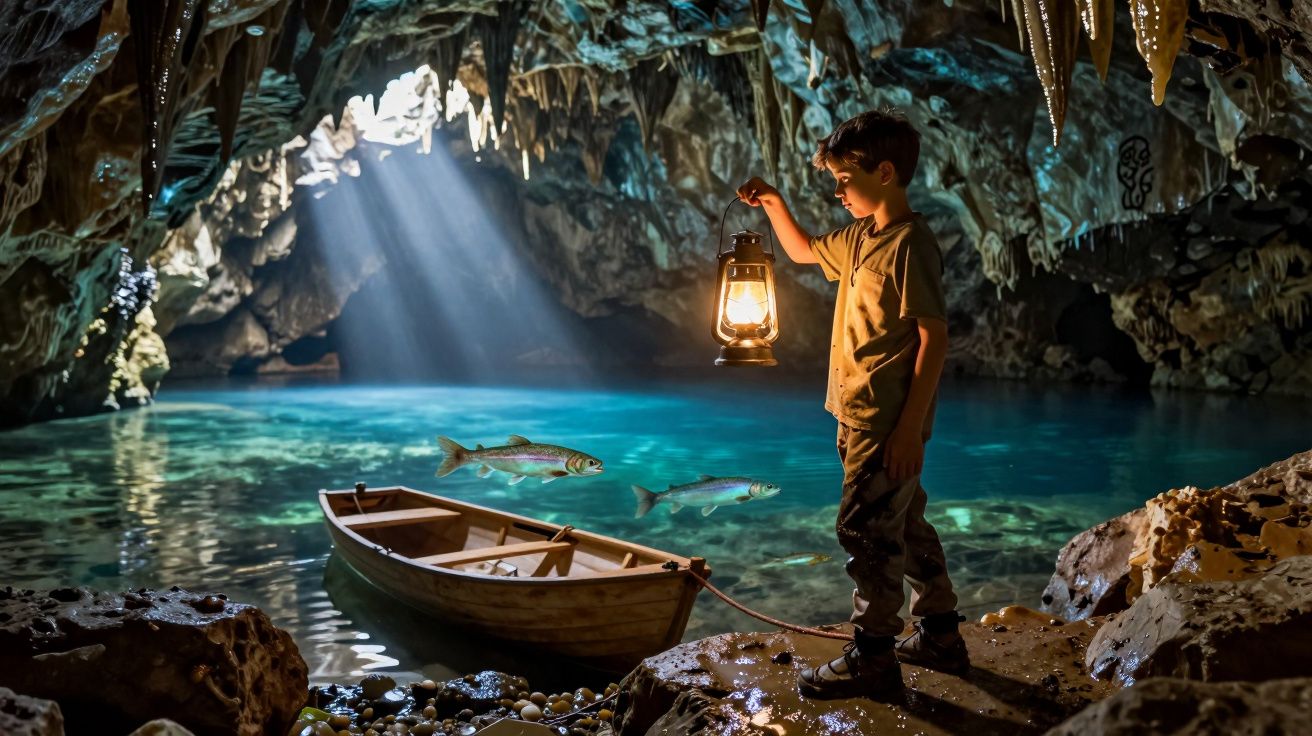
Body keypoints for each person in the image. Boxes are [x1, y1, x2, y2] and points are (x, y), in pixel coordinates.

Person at [736, 109, 968, 700]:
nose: (838, 190)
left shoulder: (911, 245)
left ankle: (873, 659)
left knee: (863, 531)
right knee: (904, 524)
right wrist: (773, 203)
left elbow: (933, 338)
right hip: (854, 412)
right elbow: (804, 253)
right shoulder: (861, 237)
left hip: (885, 421)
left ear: (885, 172)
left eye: (844, 179)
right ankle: (941, 634)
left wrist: (909, 429)